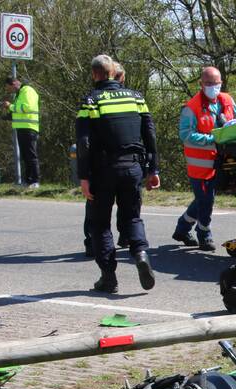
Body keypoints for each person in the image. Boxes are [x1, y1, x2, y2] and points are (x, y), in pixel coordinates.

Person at [76, 54, 160, 293]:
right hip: (133, 168)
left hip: (103, 171)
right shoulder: (136, 98)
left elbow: (84, 143)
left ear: (95, 74)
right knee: (132, 217)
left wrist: (84, 176)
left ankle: (108, 277)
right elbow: (150, 135)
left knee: (100, 224)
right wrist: (153, 169)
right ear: (113, 72)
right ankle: (141, 254)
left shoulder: (91, 101)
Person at [173, 66, 236, 251]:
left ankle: (182, 228)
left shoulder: (226, 100)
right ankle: (204, 234)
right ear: (201, 84)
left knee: (202, 200)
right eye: (209, 83)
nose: (213, 86)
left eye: (216, 83)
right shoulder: (192, 107)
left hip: (221, 163)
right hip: (200, 166)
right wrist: (213, 140)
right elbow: (186, 135)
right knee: (206, 201)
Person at [82, 60, 130, 257]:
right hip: (119, 163)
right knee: (123, 204)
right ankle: (120, 236)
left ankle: (95, 241)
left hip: (102, 165)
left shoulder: (95, 99)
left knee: (97, 207)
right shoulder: (102, 100)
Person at [3, 77, 40, 188]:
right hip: (23, 128)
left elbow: (26, 108)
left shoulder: (27, 90)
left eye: (8, 87)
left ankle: (35, 181)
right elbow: (20, 111)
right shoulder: (20, 93)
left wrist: (11, 106)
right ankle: (27, 181)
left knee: (31, 155)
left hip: (29, 128)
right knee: (25, 156)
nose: (8, 90)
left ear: (14, 83)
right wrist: (9, 114)